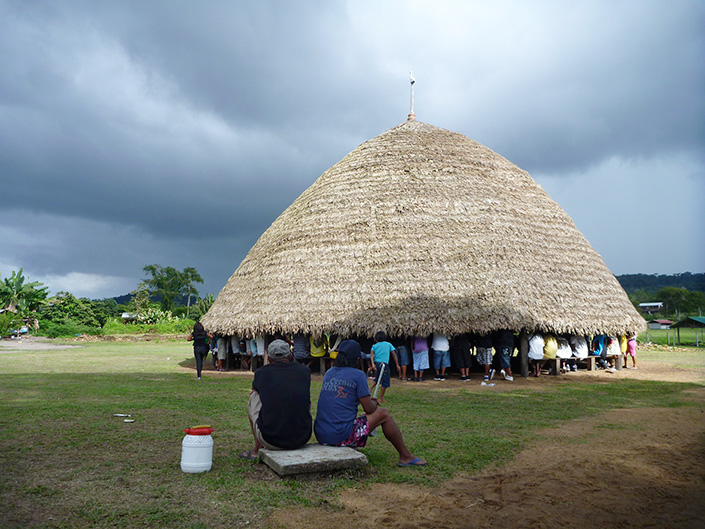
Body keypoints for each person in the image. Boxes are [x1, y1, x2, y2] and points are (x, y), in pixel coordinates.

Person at [314, 339, 426, 467]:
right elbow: (369, 410)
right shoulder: (358, 375)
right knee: (384, 413)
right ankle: (405, 456)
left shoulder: (329, 373)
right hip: (340, 436)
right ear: (357, 359)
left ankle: (351, 444)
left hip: (321, 434)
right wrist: (373, 402)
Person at [240, 339, 312, 460]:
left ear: (269, 358)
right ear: (290, 355)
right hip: (302, 438)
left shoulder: (261, 373)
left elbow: (256, 389)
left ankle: (257, 449)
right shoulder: (304, 371)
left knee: (254, 395)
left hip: (270, 440)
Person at [369, 331, 400, 402]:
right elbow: (394, 354)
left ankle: (370, 389)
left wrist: (373, 364)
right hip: (384, 365)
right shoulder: (388, 344)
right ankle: (381, 398)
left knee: (377, 378)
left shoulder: (375, 346)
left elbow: (371, 355)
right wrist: (397, 364)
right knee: (385, 382)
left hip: (377, 364)